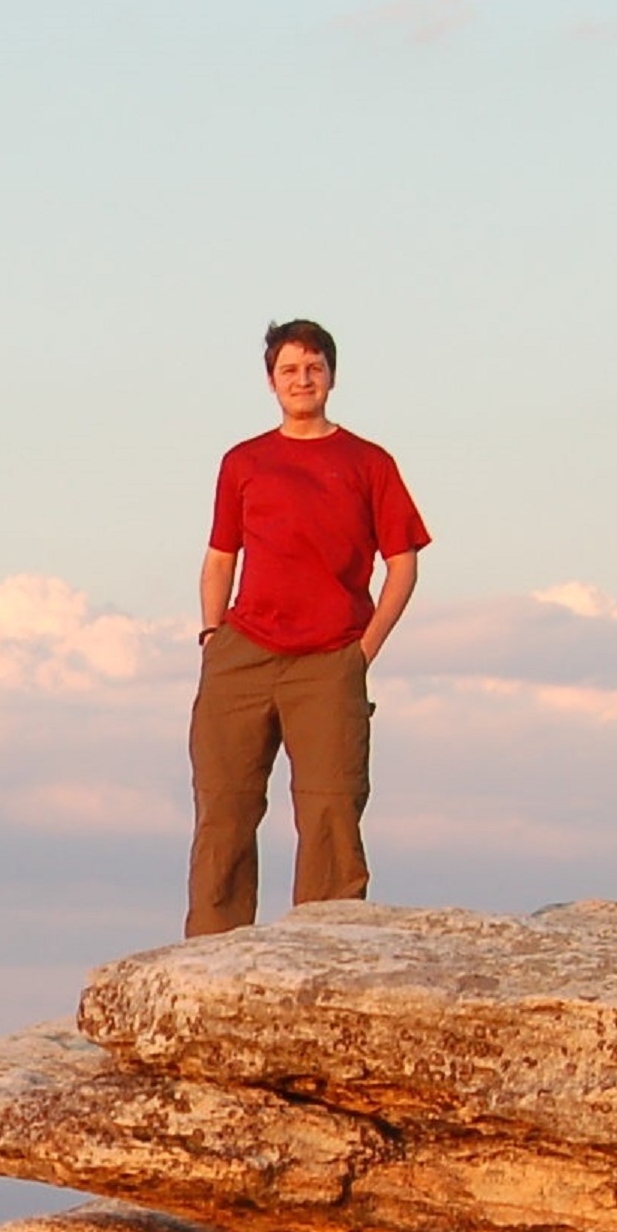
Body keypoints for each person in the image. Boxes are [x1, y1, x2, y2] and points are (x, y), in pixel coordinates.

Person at [187, 319, 427, 937]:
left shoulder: (369, 463)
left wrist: (362, 653)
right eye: (289, 370)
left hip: (331, 660)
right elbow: (220, 557)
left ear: (332, 377)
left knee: (331, 815)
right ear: (272, 382)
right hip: (243, 655)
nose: (303, 379)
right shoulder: (244, 461)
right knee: (225, 812)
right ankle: (211, 957)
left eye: (313, 368)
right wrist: (213, 637)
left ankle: (325, 955)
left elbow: (403, 564)